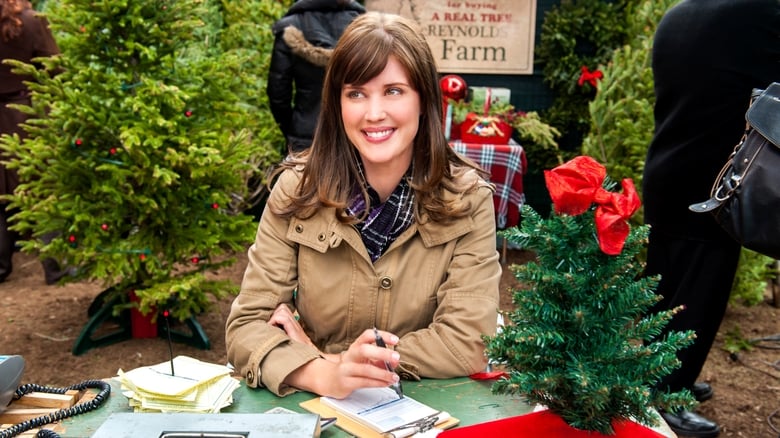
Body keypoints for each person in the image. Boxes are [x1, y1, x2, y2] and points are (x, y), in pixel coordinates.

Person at [226, 12, 501, 399]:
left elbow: (467, 343)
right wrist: (320, 376)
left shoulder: (468, 199)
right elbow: (245, 327)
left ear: (424, 99)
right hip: (313, 412)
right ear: (337, 104)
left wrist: (329, 361)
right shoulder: (296, 190)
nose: (373, 114)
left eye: (393, 91)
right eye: (356, 93)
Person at [642, 1, 780, 437]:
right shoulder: (761, 14)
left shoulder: (679, 14)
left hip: (667, 165)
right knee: (699, 291)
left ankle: (659, 376)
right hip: (716, 178)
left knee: (665, 283)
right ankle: (666, 397)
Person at [0, 0, 69, 285]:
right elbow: (54, 68)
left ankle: (1, 266)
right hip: (22, 117)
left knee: (0, 192)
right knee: (37, 190)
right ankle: (54, 266)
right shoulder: (31, 20)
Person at [267, 0, 365, 153]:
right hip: (354, 135)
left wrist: (292, 127)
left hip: (306, 135)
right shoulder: (363, 26)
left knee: (300, 177)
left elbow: (278, 93)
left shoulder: (291, 28)